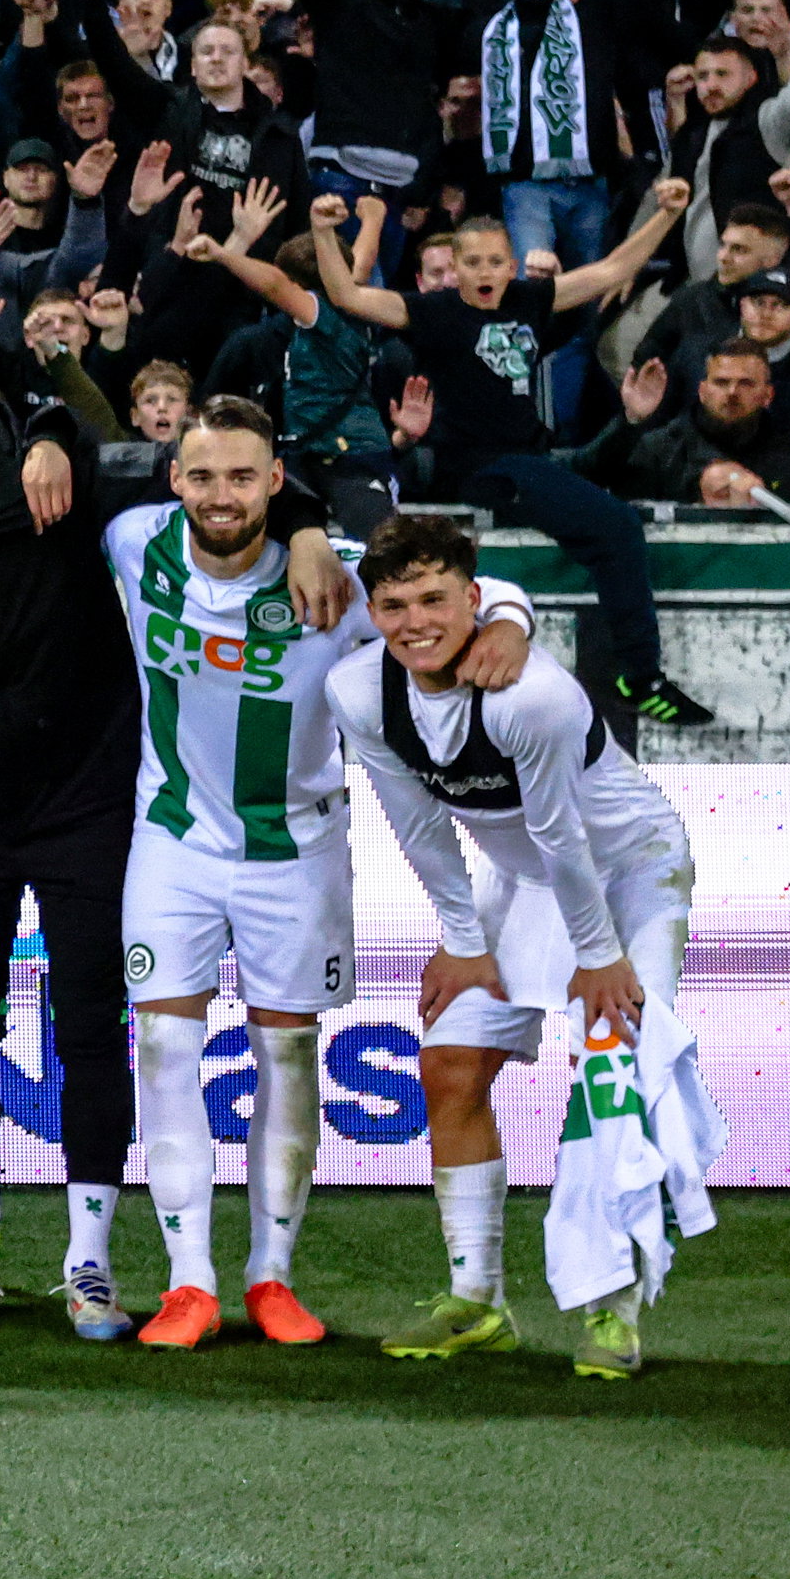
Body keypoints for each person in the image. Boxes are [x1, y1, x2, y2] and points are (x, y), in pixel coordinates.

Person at [0, 369, 342, 1341]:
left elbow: (217, 481)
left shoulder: (65, 491)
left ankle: (90, 1262)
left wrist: (312, 526)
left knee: (90, 1030)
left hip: (87, 807)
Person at [105, 398, 533, 1350]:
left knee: (288, 1055)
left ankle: (272, 1277)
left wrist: (511, 620)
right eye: (202, 476)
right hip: (172, 840)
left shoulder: (335, 581)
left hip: (296, 853)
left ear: (275, 480)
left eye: (242, 476)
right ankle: (187, 1283)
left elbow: (477, 589)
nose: (221, 496)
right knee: (165, 1049)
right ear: (174, 481)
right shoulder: (135, 543)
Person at [332, 515, 700, 1381]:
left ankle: (614, 1310)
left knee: (612, 1071)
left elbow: (562, 834)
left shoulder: (531, 696)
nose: (416, 623)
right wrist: (463, 941)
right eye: (394, 606)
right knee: (449, 1064)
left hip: (628, 871)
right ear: (372, 612)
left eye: (435, 601)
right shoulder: (358, 691)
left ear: (473, 599)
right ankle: (477, 1301)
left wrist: (599, 957)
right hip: (523, 876)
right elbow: (419, 827)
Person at [306, 185, 716, 729]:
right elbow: (346, 296)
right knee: (617, 525)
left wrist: (667, 213)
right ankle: (641, 676)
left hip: (533, 458)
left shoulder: (530, 300)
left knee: (612, 518)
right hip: (480, 468)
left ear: (512, 266)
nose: (485, 271)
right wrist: (322, 230)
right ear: (455, 267)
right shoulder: (433, 312)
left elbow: (615, 269)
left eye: (496, 261)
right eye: (473, 262)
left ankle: (637, 672)